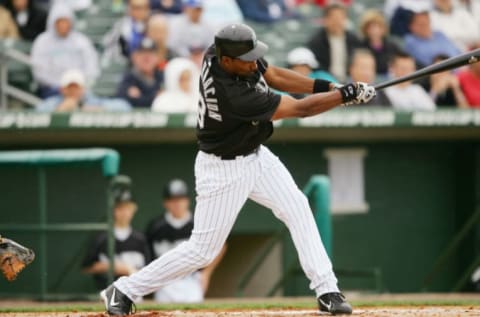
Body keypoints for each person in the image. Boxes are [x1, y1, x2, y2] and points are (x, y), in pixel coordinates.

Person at [100, 23, 376, 316]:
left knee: (297, 207)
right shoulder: (233, 96)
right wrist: (344, 96)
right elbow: (300, 109)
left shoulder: (219, 53)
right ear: (228, 60)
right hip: (223, 169)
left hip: (255, 155)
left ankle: (327, 290)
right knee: (201, 251)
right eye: (247, 59)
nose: (254, 62)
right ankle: (124, 290)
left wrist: (330, 88)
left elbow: (276, 75)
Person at [145, 179, 225, 302]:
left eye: (180, 199)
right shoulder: (156, 227)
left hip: (191, 280)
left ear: (187, 201)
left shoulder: (199, 223)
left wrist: (206, 274)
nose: (177, 204)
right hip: (165, 282)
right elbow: (147, 254)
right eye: (173, 200)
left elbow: (221, 245)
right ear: (166, 203)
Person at [83, 176, 151, 290]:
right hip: (107, 290)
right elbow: (86, 268)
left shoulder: (140, 239)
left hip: (135, 291)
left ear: (134, 209)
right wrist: (113, 267)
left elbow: (149, 268)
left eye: (128, 208)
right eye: (120, 208)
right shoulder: (102, 238)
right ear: (112, 209)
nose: (124, 213)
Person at [31, 3, 99, 98]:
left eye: (66, 21)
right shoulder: (42, 42)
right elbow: (39, 71)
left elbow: (91, 67)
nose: (63, 25)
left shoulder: (81, 41)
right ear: (53, 22)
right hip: (53, 90)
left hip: (79, 90)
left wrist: (77, 85)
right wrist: (62, 86)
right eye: (60, 22)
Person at [307, 3, 361, 82]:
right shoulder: (316, 42)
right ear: (326, 19)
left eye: (340, 18)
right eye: (333, 18)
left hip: (349, 80)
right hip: (326, 81)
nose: (337, 22)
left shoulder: (353, 39)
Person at [36, 69, 131, 112]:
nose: (73, 91)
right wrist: (59, 111)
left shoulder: (90, 101)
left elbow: (124, 106)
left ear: (83, 89)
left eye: (76, 87)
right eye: (69, 88)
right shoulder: (54, 102)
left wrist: (97, 109)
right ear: (62, 90)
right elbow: (38, 111)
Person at [116, 37, 164, 108]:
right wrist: (155, 96)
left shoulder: (162, 77)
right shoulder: (129, 78)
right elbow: (123, 99)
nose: (147, 57)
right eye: (142, 53)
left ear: (157, 57)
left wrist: (142, 97)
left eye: (150, 53)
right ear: (134, 57)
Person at [359, 9, 401, 76]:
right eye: (371, 27)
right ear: (365, 29)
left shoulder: (392, 46)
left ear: (383, 28)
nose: (374, 31)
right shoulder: (360, 46)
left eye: (378, 27)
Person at [235, 0, 300, 23]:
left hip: (276, 22)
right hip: (258, 26)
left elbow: (282, 6)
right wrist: (279, 18)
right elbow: (253, 14)